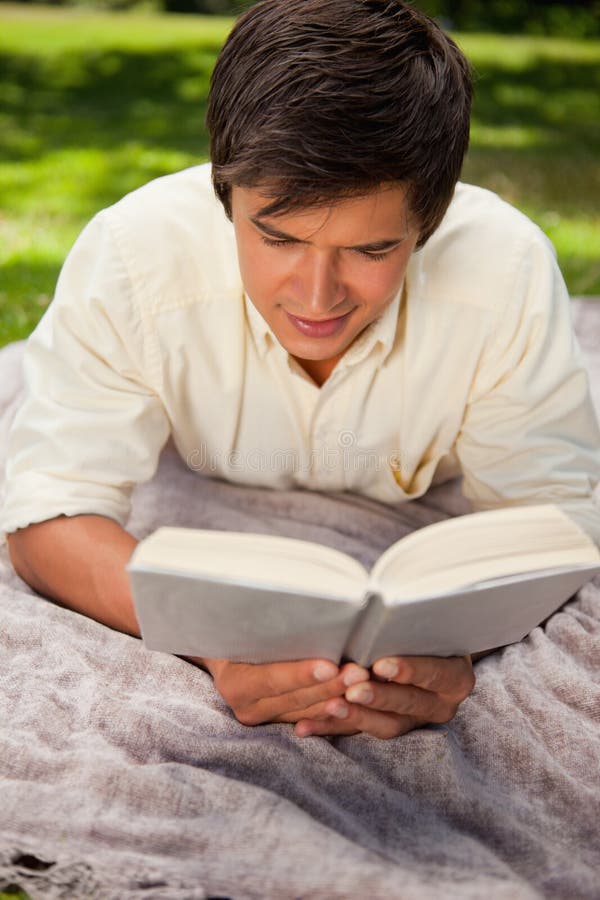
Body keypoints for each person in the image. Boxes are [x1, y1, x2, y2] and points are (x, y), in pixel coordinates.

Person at [3, 0, 600, 740]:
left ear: (431, 222)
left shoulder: (505, 270)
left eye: (372, 250)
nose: (317, 298)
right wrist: (213, 639)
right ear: (225, 194)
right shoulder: (132, 258)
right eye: (277, 237)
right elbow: (44, 516)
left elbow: (551, 523)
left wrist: (448, 652)